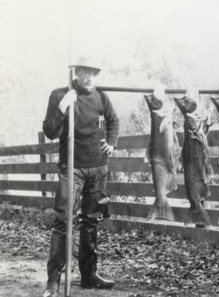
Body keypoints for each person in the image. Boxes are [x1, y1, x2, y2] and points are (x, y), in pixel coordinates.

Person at [42, 58, 119, 297]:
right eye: (86, 72)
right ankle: (53, 282)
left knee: (91, 222)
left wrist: (112, 144)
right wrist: (63, 106)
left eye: (94, 73)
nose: (90, 78)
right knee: (64, 222)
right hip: (71, 168)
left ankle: (89, 275)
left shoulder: (102, 97)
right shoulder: (60, 94)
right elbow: (50, 131)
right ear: (76, 72)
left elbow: (114, 121)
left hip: (97, 169)